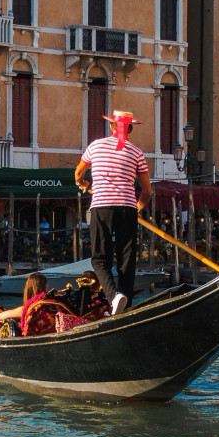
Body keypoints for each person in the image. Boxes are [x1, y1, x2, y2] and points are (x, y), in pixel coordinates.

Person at [74, 109, 152, 314]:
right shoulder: (136, 153)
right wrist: (138, 207)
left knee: (100, 259)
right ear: (131, 129)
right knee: (127, 259)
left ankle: (114, 297)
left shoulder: (95, 146)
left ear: (111, 126)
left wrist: (81, 182)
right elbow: (147, 191)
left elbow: (78, 171)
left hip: (101, 206)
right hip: (127, 209)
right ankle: (125, 308)